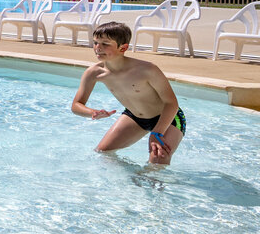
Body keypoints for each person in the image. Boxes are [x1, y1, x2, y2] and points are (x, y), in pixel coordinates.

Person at [71, 21, 186, 165]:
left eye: (105, 44)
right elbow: (76, 105)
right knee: (102, 153)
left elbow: (171, 103)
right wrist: (92, 112)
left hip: (167, 118)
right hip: (134, 117)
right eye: (95, 43)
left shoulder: (147, 70)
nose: (98, 48)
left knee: (158, 159)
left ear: (123, 47)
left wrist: (157, 132)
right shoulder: (94, 73)